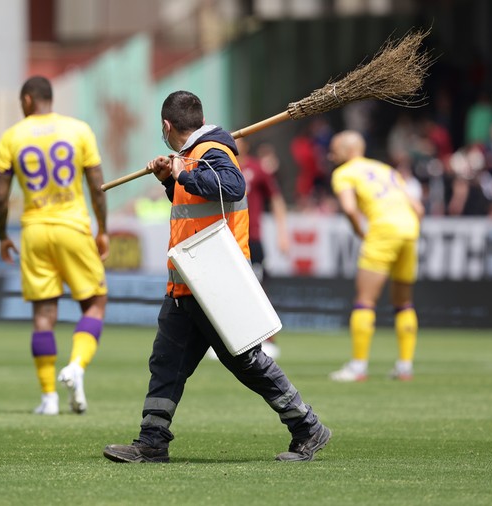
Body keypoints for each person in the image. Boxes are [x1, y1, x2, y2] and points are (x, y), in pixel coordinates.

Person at [103, 90, 331, 463]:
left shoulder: (213, 152)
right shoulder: (194, 157)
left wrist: (183, 171)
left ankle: (307, 426)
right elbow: (198, 205)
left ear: (166, 125)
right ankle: (152, 441)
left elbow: (231, 186)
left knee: (247, 362)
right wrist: (170, 181)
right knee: (166, 361)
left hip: (215, 282)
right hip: (189, 281)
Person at [0, 76, 109, 415]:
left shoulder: (12, 136)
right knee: (95, 302)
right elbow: (97, 185)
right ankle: (76, 366)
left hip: (34, 231)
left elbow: (0, 196)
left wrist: (2, 234)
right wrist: (102, 228)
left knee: (44, 315)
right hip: (72, 227)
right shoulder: (79, 130)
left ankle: (48, 398)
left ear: (28, 100)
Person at [327, 130, 424, 382]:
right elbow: (418, 208)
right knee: (404, 302)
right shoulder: (385, 169)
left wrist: (360, 231)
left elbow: (349, 208)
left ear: (349, 151)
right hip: (409, 229)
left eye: (334, 148)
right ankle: (405, 366)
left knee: (365, 301)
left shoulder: (343, 173)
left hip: (382, 230)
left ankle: (358, 367)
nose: (330, 153)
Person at [206, 137, 288, 360]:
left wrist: (282, 232)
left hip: (251, 238)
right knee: (223, 288)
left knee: (256, 288)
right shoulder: (216, 167)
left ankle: (265, 339)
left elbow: (277, 199)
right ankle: (224, 339)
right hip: (223, 237)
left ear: (245, 145)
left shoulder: (256, 168)